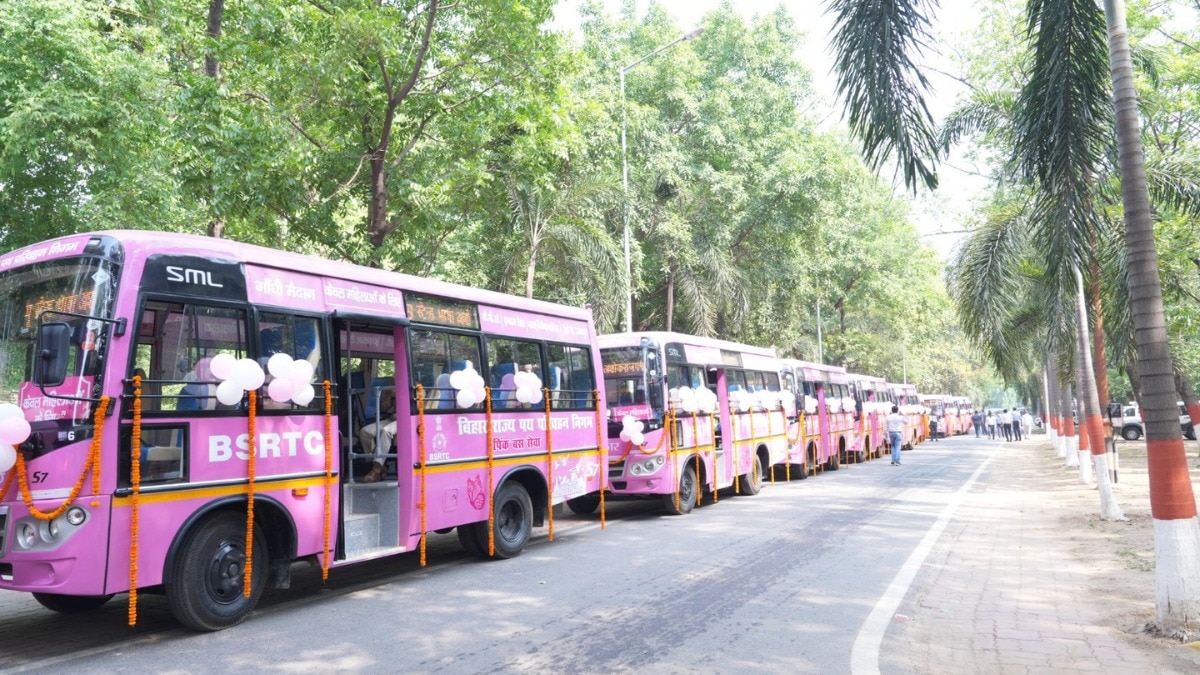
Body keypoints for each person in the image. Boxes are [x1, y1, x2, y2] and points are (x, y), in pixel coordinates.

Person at [358, 388, 397, 483]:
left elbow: (416, 408)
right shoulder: (393, 388)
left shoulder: (416, 388)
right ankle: (381, 466)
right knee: (365, 432)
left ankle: (376, 471)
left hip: (406, 419)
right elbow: (383, 408)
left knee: (386, 431)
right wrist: (387, 397)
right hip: (392, 419)